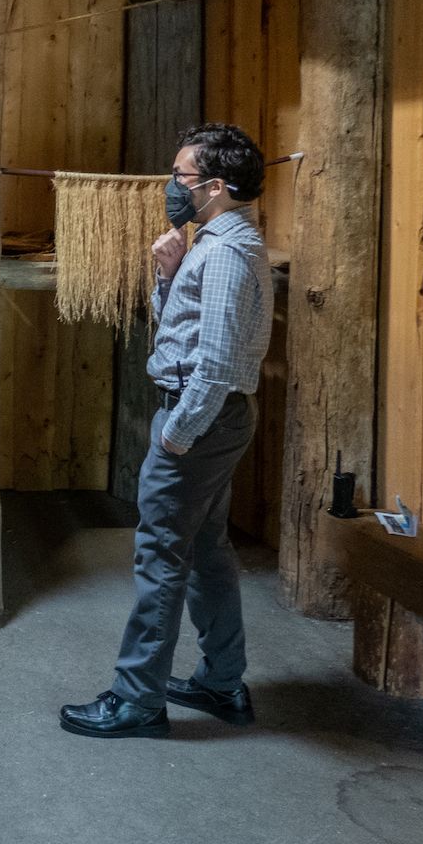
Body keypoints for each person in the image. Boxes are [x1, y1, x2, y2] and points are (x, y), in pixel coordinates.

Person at [60, 122, 275, 740]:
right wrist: (169, 273)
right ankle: (222, 681)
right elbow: (184, 326)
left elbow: (216, 362)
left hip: (199, 417)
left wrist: (176, 435)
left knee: (161, 557)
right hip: (208, 417)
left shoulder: (229, 253)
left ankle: (137, 703)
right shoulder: (212, 242)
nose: (171, 185)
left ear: (213, 186)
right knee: (206, 550)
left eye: (180, 175)